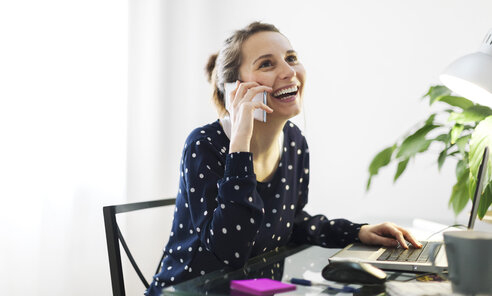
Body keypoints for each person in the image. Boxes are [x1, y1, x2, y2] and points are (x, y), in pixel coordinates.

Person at [145, 22, 421, 295]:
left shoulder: (294, 142)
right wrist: (240, 141)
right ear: (234, 89)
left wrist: (357, 232)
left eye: (291, 59)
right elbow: (230, 251)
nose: (289, 72)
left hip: (255, 290)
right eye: (267, 64)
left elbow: (291, 224)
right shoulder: (204, 144)